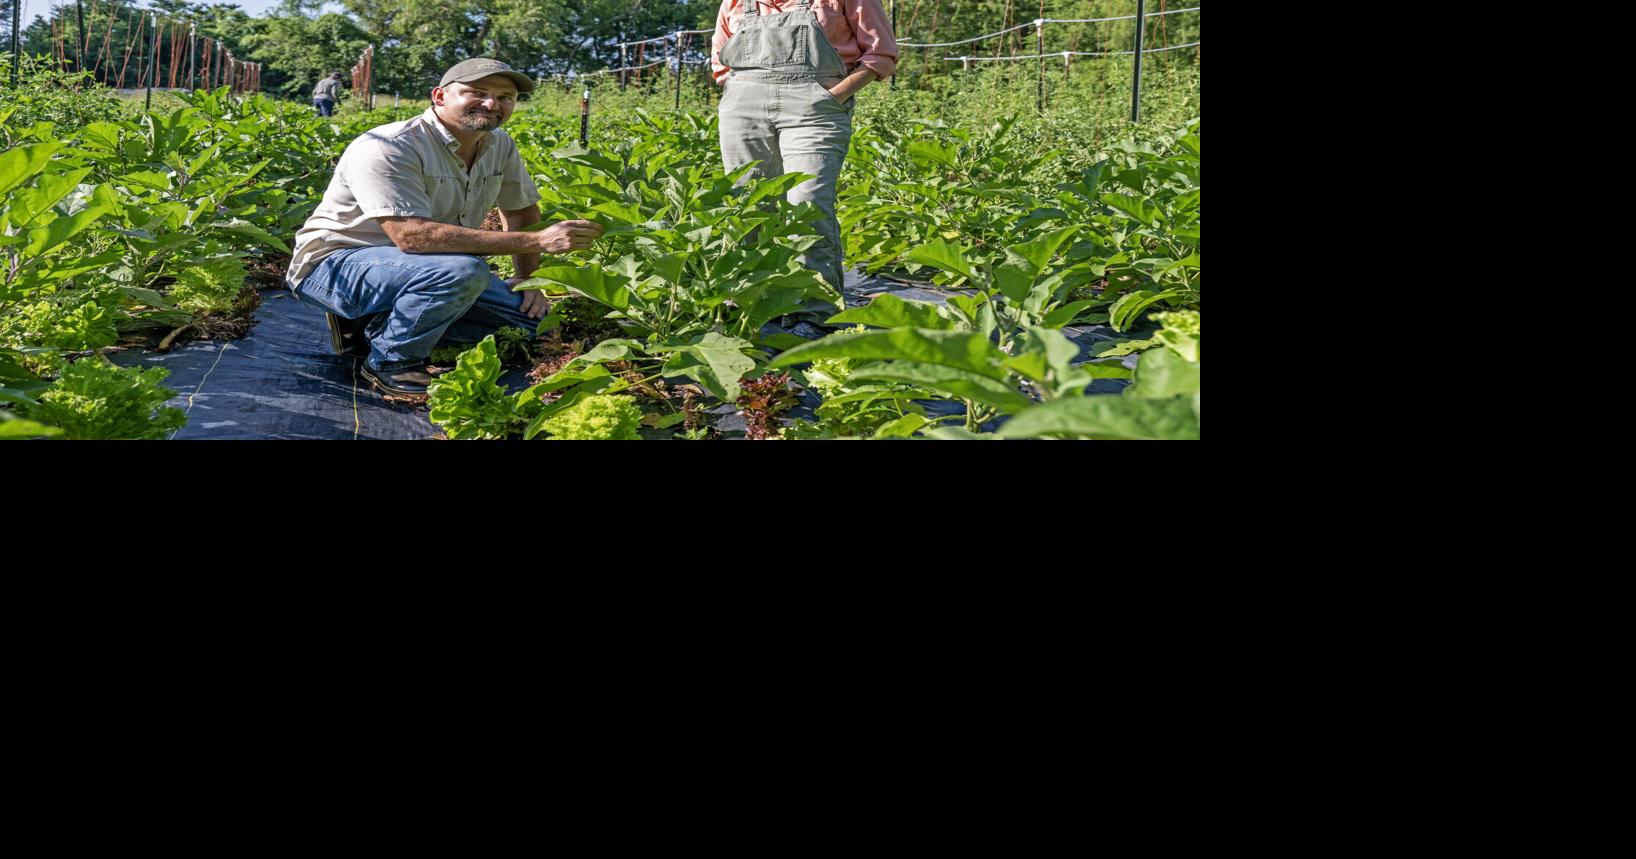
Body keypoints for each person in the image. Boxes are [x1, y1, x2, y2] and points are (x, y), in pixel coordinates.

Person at [284, 58, 604, 396]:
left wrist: (528, 279)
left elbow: (521, 211)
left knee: (531, 324)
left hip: (428, 266)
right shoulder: (388, 146)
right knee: (461, 272)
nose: (492, 104)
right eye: (476, 92)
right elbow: (412, 236)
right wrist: (538, 241)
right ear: (439, 96)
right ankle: (392, 363)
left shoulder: (499, 145)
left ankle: (371, 323)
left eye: (505, 97)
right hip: (337, 265)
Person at [712, 0, 897, 308]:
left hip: (815, 108)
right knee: (748, 202)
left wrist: (832, 97)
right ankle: (748, 300)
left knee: (808, 203)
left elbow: (881, 55)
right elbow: (720, 64)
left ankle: (813, 310)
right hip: (743, 109)